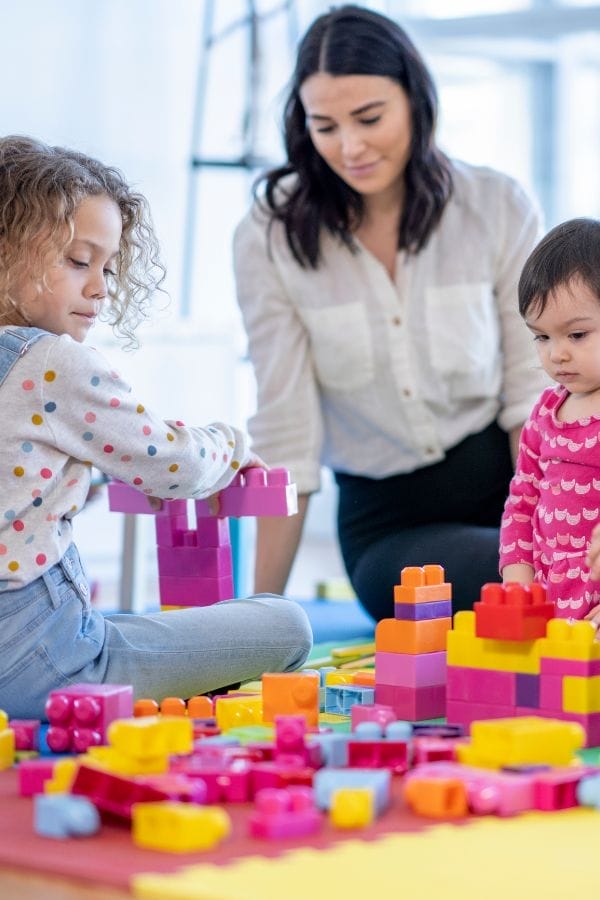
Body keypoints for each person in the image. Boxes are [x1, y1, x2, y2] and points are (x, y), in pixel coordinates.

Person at [233, 4, 547, 621]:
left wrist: (548, 530)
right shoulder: (268, 236)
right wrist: (256, 619)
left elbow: (531, 394)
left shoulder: (496, 205)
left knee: (553, 573)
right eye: (324, 126)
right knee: (518, 584)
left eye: (369, 118)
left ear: (415, 99)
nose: (349, 147)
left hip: (511, 493)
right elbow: (287, 436)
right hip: (391, 529)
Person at [0, 135, 312, 720]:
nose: (99, 287)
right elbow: (178, 466)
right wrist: (232, 444)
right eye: (77, 261)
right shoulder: (50, 361)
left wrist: (88, 483)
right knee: (286, 622)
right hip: (48, 668)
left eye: (109, 268)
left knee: (134, 621)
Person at [500, 218, 600, 625]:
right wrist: (518, 586)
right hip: (555, 607)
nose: (556, 354)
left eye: (576, 335)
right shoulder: (543, 414)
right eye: (541, 337)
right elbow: (521, 503)